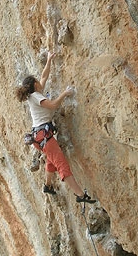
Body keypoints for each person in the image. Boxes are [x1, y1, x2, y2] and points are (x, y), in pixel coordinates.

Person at [16, 52, 96, 204]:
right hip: (44, 137)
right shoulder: (36, 97)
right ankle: (80, 195)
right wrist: (65, 93)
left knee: (51, 161)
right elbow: (52, 105)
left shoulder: (34, 94)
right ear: (34, 85)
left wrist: (49, 60)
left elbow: (44, 76)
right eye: (37, 81)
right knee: (61, 164)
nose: (41, 82)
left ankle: (47, 186)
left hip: (39, 138)